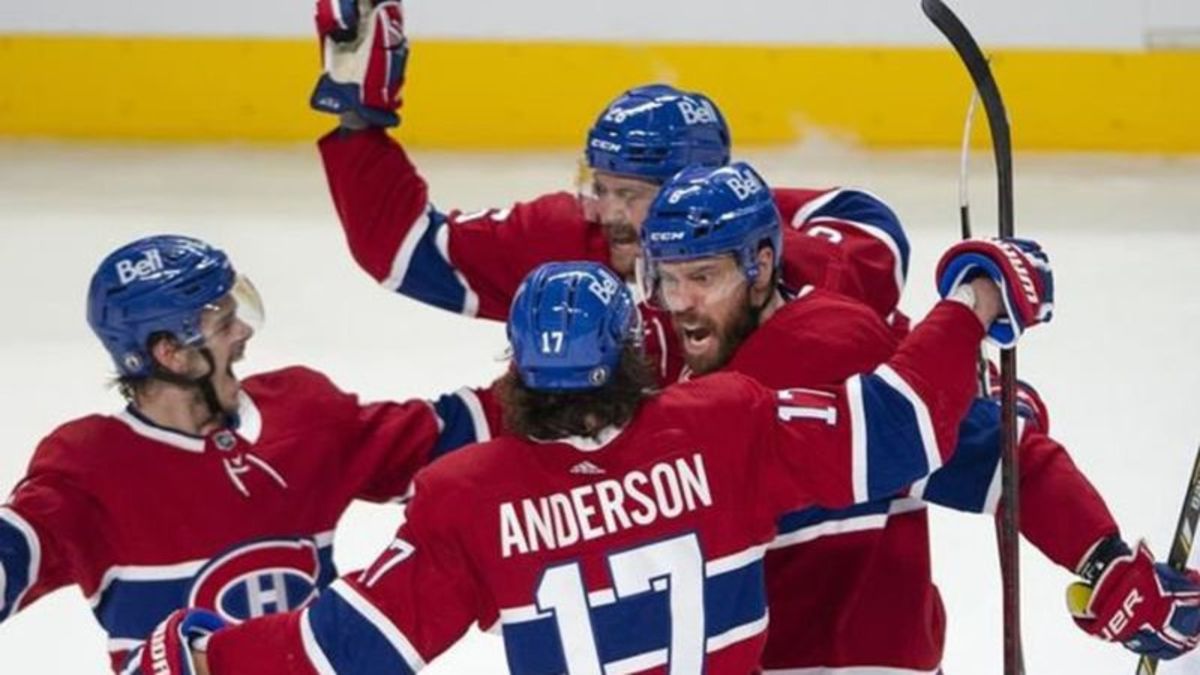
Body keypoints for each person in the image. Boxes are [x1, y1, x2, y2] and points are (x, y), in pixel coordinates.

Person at [137, 254, 1025, 674]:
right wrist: (974, 299)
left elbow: (344, 646)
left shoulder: (469, 495)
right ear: (634, 356)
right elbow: (900, 428)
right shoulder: (724, 425)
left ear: (518, 374)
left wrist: (204, 653)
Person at [636, 161, 1200, 670]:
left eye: (703, 276)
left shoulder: (831, 350)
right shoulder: (696, 357)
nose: (680, 300)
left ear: (760, 267)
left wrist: (1105, 562)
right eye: (667, 278)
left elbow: (1006, 462)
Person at [309, 0, 910, 384]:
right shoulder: (570, 241)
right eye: (602, 188)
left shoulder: (763, 238)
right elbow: (405, 251)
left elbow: (869, 239)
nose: (610, 213)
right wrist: (358, 118)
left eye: (630, 194)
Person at [0, 235, 492, 671]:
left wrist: (551, 376)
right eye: (222, 321)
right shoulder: (91, 468)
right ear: (170, 352)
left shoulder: (302, 412)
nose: (243, 332)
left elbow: (445, 441)